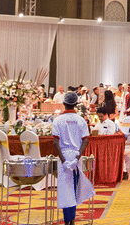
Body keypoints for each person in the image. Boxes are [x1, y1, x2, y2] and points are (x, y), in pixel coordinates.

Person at [54, 92, 94, 225]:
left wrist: (64, 161)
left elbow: (55, 142)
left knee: (66, 191)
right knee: (74, 188)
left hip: (64, 155)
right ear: (76, 104)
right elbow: (85, 141)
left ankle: (67, 221)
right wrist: (77, 158)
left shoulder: (58, 120)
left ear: (64, 103)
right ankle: (72, 220)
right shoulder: (81, 120)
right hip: (76, 154)